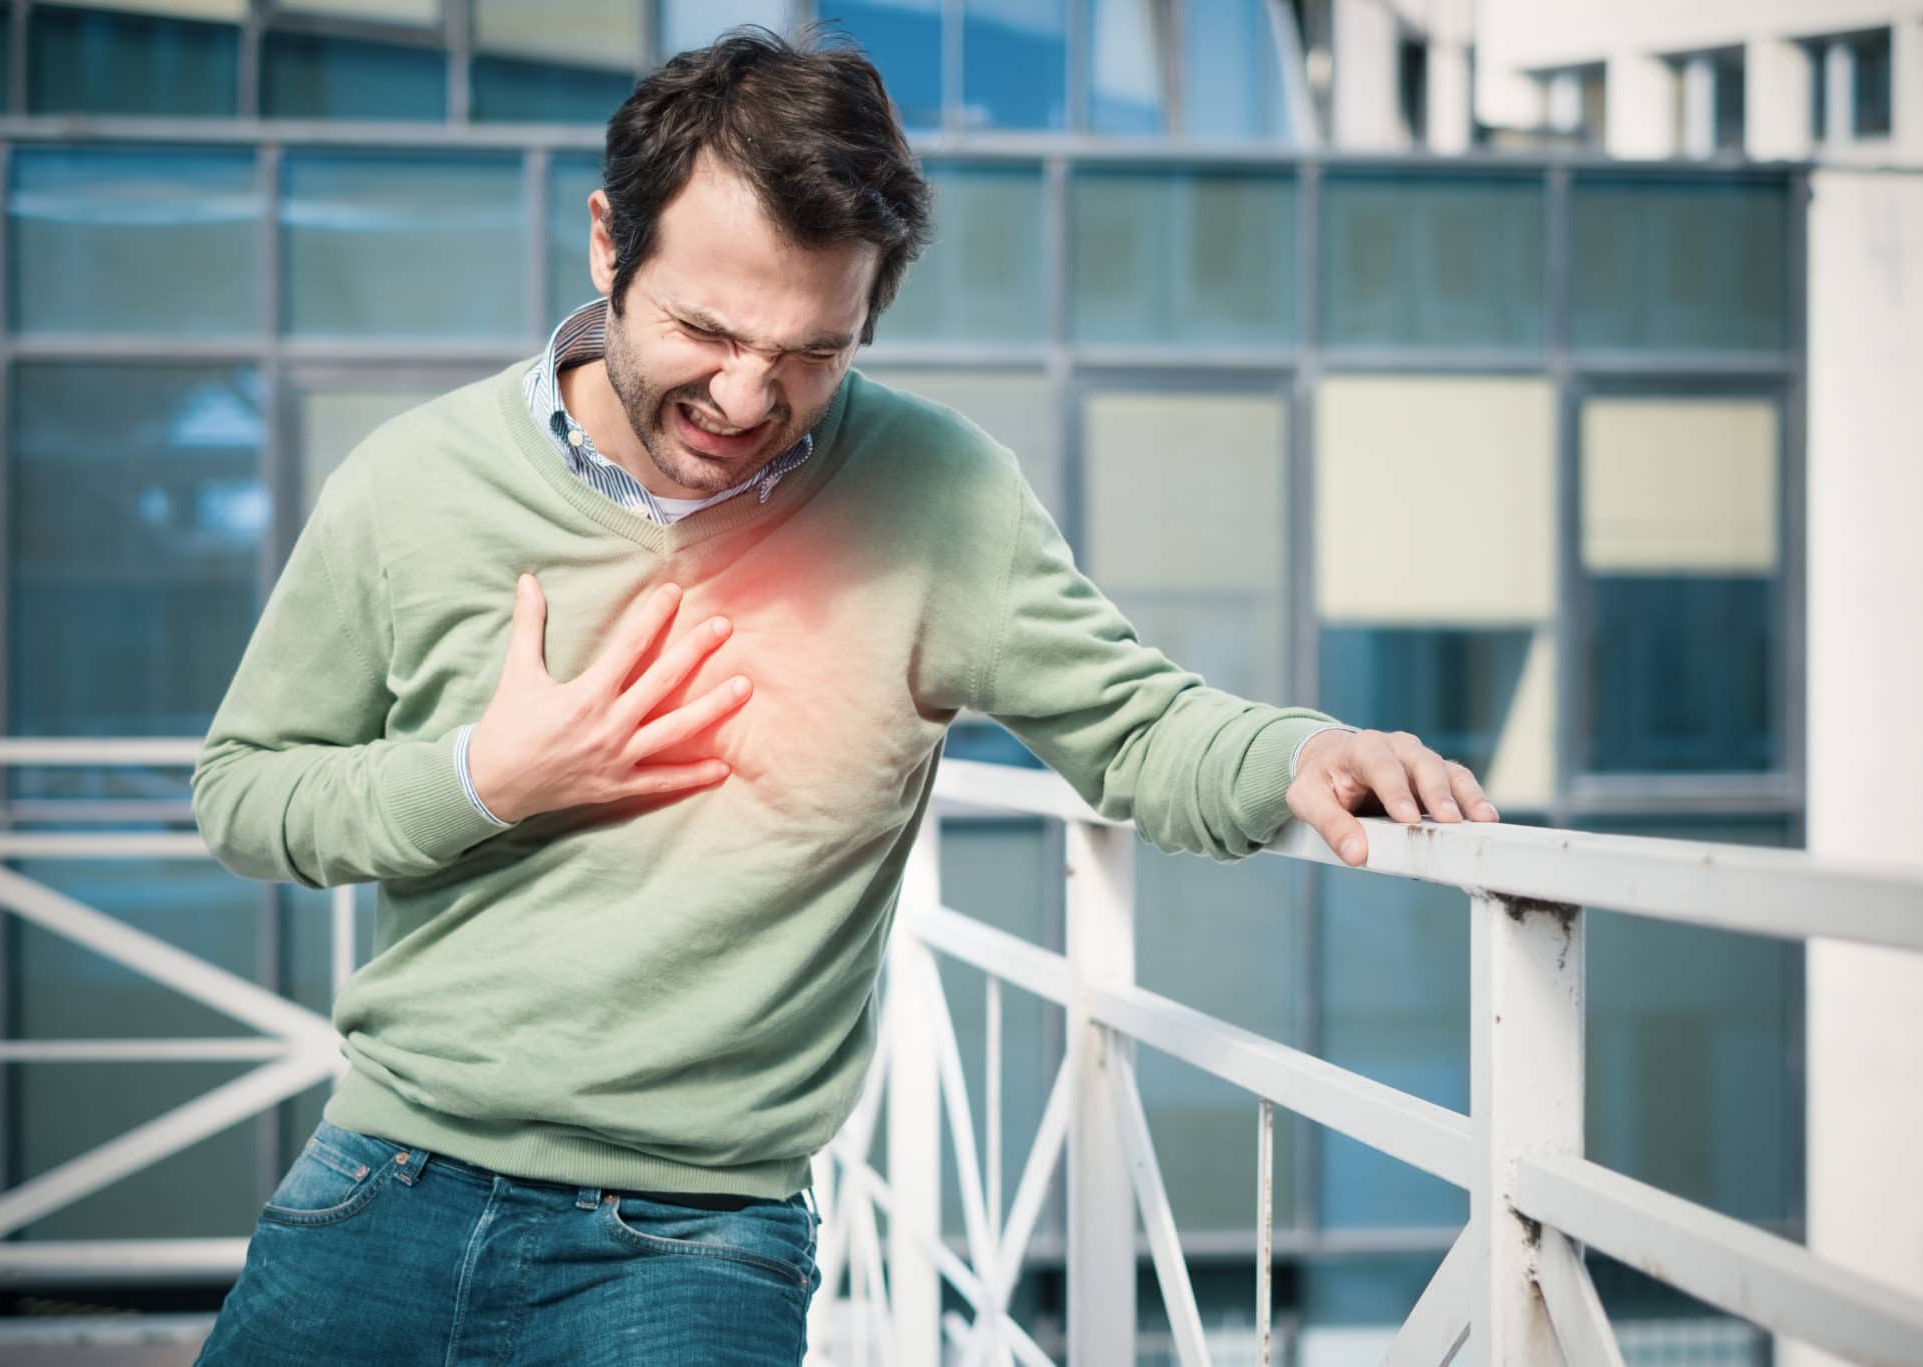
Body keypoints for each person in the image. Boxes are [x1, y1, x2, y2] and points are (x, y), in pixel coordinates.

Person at [188, 26, 1498, 1367]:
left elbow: (1137, 723)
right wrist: (481, 779)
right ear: (605, 244)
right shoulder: (410, 484)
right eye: (703, 328)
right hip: (382, 1180)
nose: (747, 395)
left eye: (812, 350)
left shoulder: (937, 495)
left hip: (695, 1237)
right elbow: (242, 794)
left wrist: (1300, 751)